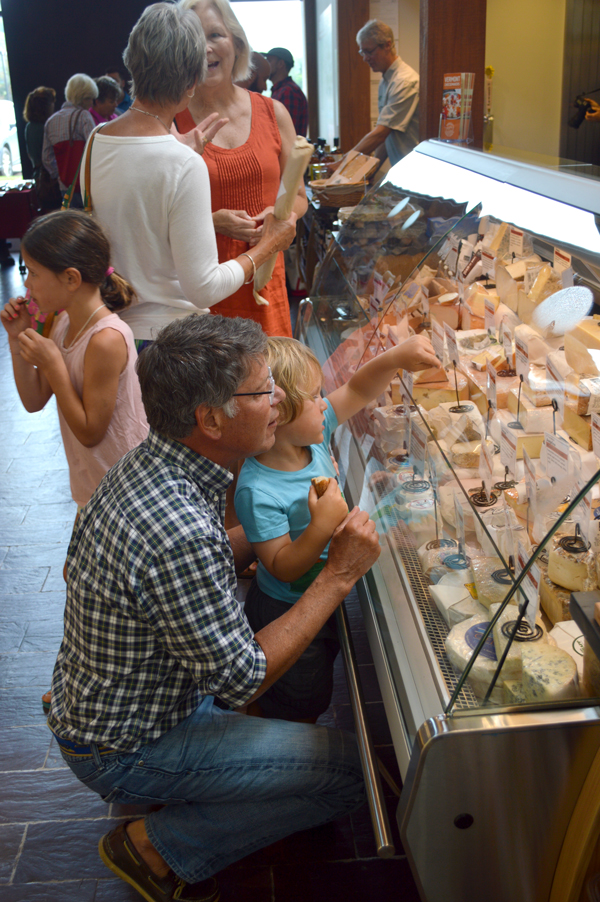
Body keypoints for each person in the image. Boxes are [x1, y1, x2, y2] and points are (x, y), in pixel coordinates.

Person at [47, 313, 380, 902]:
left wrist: (272, 533)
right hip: (130, 741)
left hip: (111, 704)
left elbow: (176, 564)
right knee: (356, 779)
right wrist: (338, 573)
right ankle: (158, 845)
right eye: (261, 391)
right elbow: (242, 678)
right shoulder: (178, 528)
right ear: (210, 419)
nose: (279, 399)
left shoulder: (154, 463)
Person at [235, 333, 438, 721]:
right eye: (313, 397)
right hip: (286, 609)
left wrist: (396, 356)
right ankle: (276, 729)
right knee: (302, 697)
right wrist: (321, 526)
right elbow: (281, 565)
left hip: (321, 595)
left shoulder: (311, 436)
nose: (323, 402)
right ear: (280, 417)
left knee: (320, 672)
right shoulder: (257, 489)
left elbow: (359, 388)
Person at [84, 2, 295, 350]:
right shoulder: (181, 161)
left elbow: (128, 227)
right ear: (192, 80)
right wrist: (269, 245)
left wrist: (177, 153)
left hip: (114, 329)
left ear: (132, 59)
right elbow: (205, 288)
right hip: (172, 342)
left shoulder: (97, 140)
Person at [176, 0, 307, 338]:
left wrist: (283, 218)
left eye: (215, 34)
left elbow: (299, 195)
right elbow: (152, 218)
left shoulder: (273, 112)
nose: (204, 48)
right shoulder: (170, 122)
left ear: (237, 43)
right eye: (191, 37)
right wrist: (209, 221)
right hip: (200, 292)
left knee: (271, 385)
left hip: (265, 282)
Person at [0, 210, 148, 508]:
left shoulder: (106, 339)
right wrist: (17, 339)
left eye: (34, 272)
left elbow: (91, 431)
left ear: (70, 278)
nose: (27, 284)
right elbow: (33, 400)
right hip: (92, 486)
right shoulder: (63, 322)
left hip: (124, 490)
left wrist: (53, 364)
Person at [351, 19, 419, 168]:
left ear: (387, 45)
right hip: (400, 170)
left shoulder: (404, 81)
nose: (365, 58)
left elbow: (381, 133)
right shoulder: (385, 81)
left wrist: (345, 162)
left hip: (414, 170)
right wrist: (371, 172)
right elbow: (386, 135)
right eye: (362, 52)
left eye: (369, 51)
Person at [42, 73, 97, 203]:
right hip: (86, 185)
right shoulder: (84, 116)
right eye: (90, 99)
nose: (91, 104)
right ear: (83, 97)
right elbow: (94, 148)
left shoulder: (51, 121)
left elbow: (46, 157)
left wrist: (59, 176)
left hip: (65, 187)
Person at [265, 46, 308, 137]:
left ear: (280, 64)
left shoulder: (288, 92)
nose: (266, 65)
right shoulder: (281, 90)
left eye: (269, 61)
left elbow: (284, 133)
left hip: (287, 151)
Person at [23, 86, 56, 175]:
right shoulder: (44, 128)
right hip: (48, 176)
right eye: (52, 102)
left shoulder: (29, 126)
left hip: (38, 175)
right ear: (46, 106)